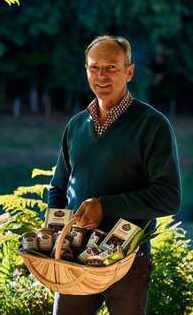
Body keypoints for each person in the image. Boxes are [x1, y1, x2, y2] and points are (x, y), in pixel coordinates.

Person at [47, 35, 182, 315]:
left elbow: (168, 198)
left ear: (129, 72)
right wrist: (53, 236)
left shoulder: (152, 125)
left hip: (128, 258)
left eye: (111, 67)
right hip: (75, 256)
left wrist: (104, 206)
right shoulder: (76, 126)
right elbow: (58, 189)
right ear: (86, 71)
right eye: (94, 68)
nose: (102, 76)